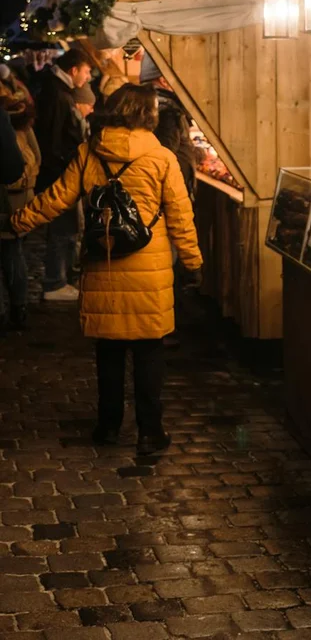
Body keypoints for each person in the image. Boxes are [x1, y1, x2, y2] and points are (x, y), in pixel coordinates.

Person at [11, 83, 203, 453]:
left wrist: (19, 220)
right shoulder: (162, 158)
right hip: (150, 270)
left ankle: (109, 426)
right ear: (147, 115)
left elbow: (56, 198)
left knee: (109, 352)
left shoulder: (89, 153)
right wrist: (193, 261)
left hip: (104, 264)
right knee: (149, 353)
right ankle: (150, 431)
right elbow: (181, 217)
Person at [33, 48, 93, 302]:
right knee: (62, 228)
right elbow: (52, 138)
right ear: (73, 70)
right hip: (58, 173)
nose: (88, 78)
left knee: (65, 228)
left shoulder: (57, 91)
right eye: (87, 71)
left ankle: (59, 279)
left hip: (58, 170)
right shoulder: (58, 95)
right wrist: (64, 167)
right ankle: (55, 282)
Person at [0, 67, 41, 328]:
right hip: (10, 200)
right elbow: (25, 163)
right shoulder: (14, 122)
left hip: (10, 199)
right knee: (12, 253)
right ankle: (18, 308)